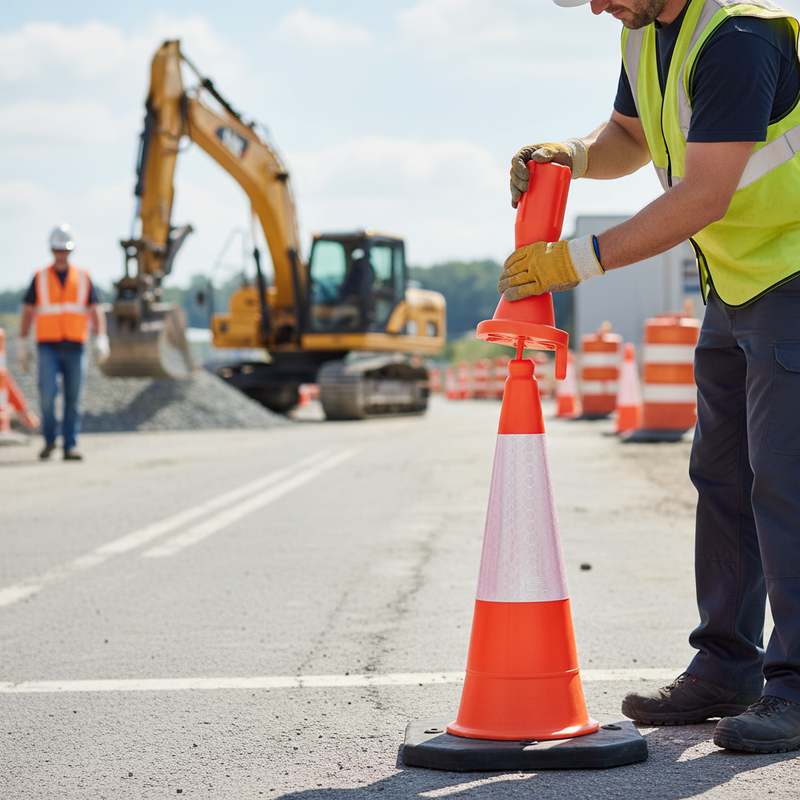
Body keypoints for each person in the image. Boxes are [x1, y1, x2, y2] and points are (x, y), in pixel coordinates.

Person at [503, 0, 800, 753]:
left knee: (786, 479)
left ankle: (795, 686)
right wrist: (574, 152)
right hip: (736, 279)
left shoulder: (737, 36)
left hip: (792, 272)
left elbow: (705, 193)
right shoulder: (648, 33)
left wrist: (578, 260)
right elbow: (630, 138)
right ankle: (727, 664)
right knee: (725, 475)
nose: (599, 6)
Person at [17, 224, 110, 461]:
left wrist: (101, 337)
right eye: (57, 249)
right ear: (52, 250)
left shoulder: (83, 276)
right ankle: (50, 441)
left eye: (64, 250)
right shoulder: (40, 276)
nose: (61, 254)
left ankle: (70, 445)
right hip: (47, 345)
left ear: (70, 251)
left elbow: (95, 309)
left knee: (73, 398)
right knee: (47, 394)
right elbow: (28, 311)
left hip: (76, 346)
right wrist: (22, 342)